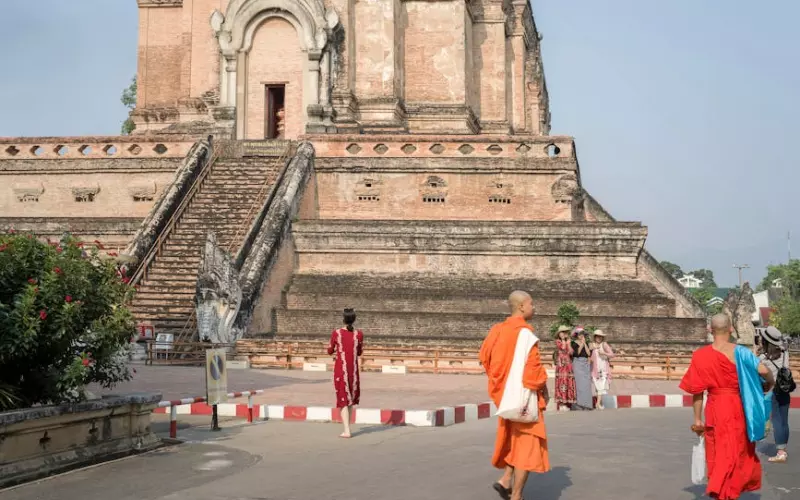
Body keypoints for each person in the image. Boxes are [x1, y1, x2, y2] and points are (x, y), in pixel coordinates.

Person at [680, 314, 775, 500]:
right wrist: (770, 382)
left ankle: (721, 490)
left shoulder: (700, 356)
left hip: (715, 407)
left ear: (710, 330)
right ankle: (728, 491)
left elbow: (697, 392)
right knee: (736, 450)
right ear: (731, 329)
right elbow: (764, 370)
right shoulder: (740, 352)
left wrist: (697, 419)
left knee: (719, 451)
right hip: (738, 407)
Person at [480, 291, 550, 500]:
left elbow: (485, 358)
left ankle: (506, 479)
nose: (534, 307)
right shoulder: (525, 335)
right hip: (524, 400)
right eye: (531, 304)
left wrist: (503, 383)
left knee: (515, 440)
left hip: (506, 398)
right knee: (527, 447)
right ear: (521, 307)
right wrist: (544, 385)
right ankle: (517, 495)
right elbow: (533, 375)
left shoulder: (497, 330)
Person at [327, 308, 364, 438]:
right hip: (353, 370)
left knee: (343, 399)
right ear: (354, 319)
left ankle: (347, 430)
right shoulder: (359, 334)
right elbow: (359, 352)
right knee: (350, 400)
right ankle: (348, 429)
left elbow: (330, 350)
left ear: (343, 319)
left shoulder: (336, 333)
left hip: (341, 370)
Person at [759, 326, 791, 463]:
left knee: (777, 421)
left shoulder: (763, 358)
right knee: (784, 421)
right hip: (785, 390)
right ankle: (783, 449)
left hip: (773, 392)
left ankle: (780, 453)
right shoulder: (785, 353)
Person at [590, 329, 615, 410]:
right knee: (598, 387)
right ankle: (600, 403)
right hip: (594, 369)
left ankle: (597, 404)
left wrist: (604, 353)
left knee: (601, 386)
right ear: (595, 337)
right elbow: (589, 355)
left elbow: (612, 355)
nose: (599, 338)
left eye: (600, 337)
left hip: (603, 369)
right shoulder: (592, 345)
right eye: (597, 336)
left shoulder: (604, 344)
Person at [553, 325, 576, 411]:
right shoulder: (558, 341)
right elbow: (562, 348)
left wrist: (568, 343)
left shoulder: (568, 341)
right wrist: (564, 340)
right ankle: (561, 403)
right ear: (559, 333)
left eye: (565, 332)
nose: (563, 333)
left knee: (568, 382)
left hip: (568, 364)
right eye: (562, 332)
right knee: (561, 382)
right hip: (561, 364)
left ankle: (567, 402)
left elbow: (571, 352)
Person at [571, 326, 593, 410]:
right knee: (579, 384)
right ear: (577, 335)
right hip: (577, 363)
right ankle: (579, 404)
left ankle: (587, 404)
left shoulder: (586, 343)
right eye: (580, 334)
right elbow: (577, 353)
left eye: (582, 334)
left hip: (585, 363)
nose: (581, 335)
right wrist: (581, 344)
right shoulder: (574, 343)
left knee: (586, 384)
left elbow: (588, 354)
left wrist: (584, 343)